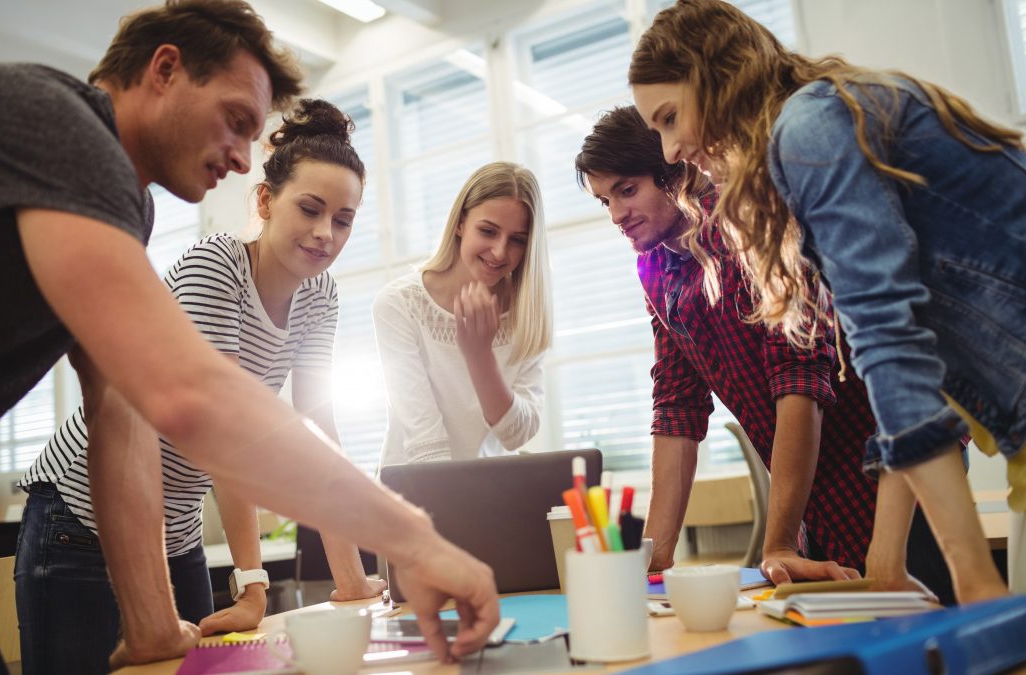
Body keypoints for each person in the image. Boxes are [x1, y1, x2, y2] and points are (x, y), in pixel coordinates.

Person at [0, 1, 497, 672]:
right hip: (70, 523)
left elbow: (119, 406)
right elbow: (194, 398)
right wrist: (417, 540)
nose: (241, 160)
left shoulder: (123, 203)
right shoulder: (64, 129)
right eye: (235, 122)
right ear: (165, 70)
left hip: (165, 529)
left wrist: (151, 621)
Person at [628, 0, 1024, 604]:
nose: (672, 148)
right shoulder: (817, 124)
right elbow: (913, 369)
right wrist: (885, 559)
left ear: (716, 80)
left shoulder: (809, 132)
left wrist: (974, 583)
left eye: (670, 117)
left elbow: (892, 350)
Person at [14, 98, 387, 674]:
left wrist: (352, 579)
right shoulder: (217, 267)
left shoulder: (321, 296)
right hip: (80, 518)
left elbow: (321, 429)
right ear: (264, 201)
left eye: (342, 220)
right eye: (310, 209)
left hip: (176, 531)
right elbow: (222, 431)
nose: (324, 234)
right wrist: (254, 584)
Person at [575, 106, 952, 598]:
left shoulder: (748, 226)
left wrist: (777, 544)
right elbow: (676, 406)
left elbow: (799, 380)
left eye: (628, 190)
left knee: (939, 643)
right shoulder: (655, 270)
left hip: (895, 478)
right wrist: (654, 559)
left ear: (675, 170)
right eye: (605, 200)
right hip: (814, 501)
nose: (617, 215)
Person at [374, 162, 552, 466]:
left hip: (484, 494)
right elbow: (424, 441)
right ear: (460, 223)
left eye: (517, 240)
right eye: (488, 231)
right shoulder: (399, 304)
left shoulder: (528, 315)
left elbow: (517, 435)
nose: (499, 251)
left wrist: (480, 356)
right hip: (412, 493)